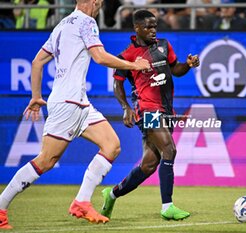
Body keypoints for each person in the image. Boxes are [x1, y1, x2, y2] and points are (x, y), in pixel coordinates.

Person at [0, 0, 150, 229]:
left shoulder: (61, 25)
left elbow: (37, 61)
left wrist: (36, 95)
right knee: (46, 160)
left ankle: (81, 201)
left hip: (79, 102)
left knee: (111, 145)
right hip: (68, 103)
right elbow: (100, 57)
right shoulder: (86, 22)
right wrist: (134, 65)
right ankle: (1, 207)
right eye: (98, 0)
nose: (100, 4)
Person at [100, 9, 200, 221]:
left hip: (166, 110)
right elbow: (117, 84)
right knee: (169, 149)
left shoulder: (163, 45)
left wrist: (188, 65)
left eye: (155, 26)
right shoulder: (127, 56)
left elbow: (176, 69)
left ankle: (111, 194)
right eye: (148, 27)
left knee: (148, 165)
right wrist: (125, 107)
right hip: (146, 110)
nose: (153, 30)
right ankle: (167, 206)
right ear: (136, 28)